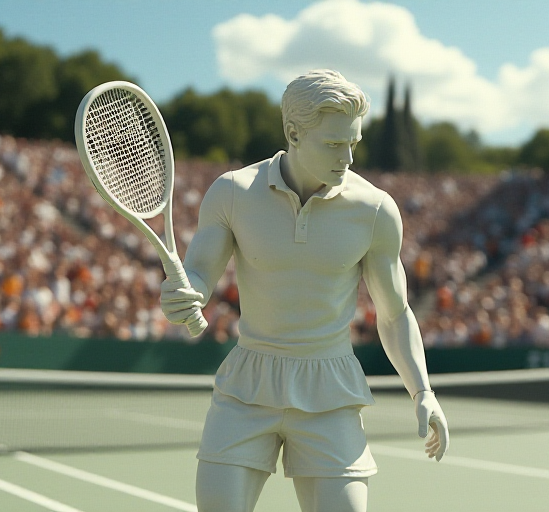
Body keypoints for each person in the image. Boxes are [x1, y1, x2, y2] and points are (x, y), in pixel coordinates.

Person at [160, 69, 449, 512]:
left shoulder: (375, 210)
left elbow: (394, 314)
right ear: (293, 133)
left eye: (353, 143)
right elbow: (198, 273)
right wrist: (186, 295)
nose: (348, 158)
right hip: (246, 389)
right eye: (334, 144)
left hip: (331, 391)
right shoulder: (232, 192)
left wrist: (423, 392)